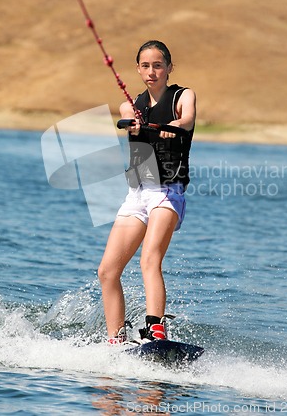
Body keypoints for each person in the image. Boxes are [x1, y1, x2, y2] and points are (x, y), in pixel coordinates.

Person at [98, 40, 196, 345]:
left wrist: (174, 125)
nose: (151, 71)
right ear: (138, 69)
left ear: (168, 68)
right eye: (145, 65)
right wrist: (134, 125)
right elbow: (126, 115)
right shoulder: (132, 105)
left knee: (149, 260)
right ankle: (117, 338)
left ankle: (156, 329)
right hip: (138, 194)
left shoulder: (183, 96)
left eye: (157, 65)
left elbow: (188, 118)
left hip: (168, 192)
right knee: (107, 271)